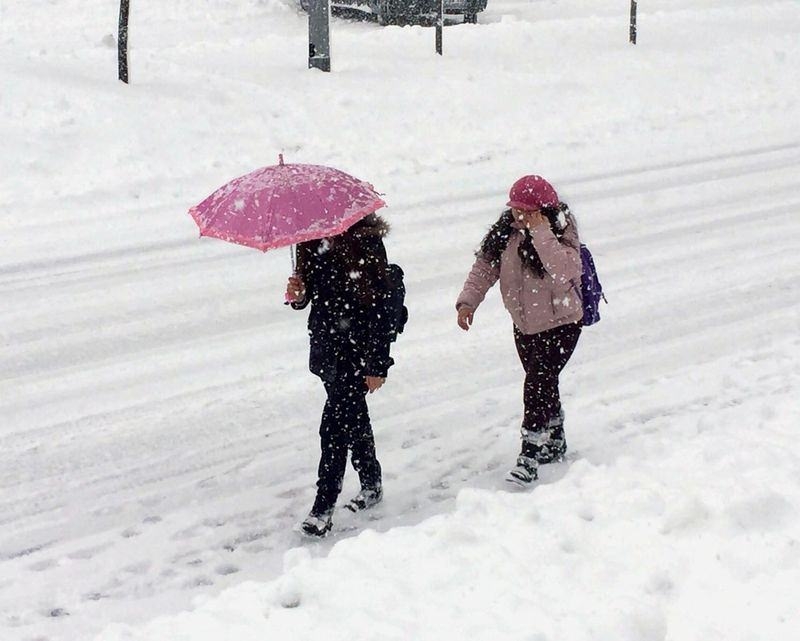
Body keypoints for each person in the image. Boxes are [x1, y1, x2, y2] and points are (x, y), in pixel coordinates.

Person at [455, 175, 583, 486]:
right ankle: (556, 436)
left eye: (527, 211)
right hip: (525, 326)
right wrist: (468, 302)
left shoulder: (560, 229)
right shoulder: (506, 232)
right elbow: (485, 267)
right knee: (543, 381)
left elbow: (564, 270)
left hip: (562, 323)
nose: (519, 216)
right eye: (515, 209)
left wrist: (540, 231)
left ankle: (529, 454)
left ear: (544, 210)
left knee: (537, 382)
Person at [285, 213, 395, 536]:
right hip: (327, 348)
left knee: (333, 428)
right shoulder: (309, 240)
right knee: (353, 417)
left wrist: (376, 364)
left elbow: (382, 306)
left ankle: (323, 507)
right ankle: (372, 483)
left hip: (357, 348)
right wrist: (299, 292)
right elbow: (310, 299)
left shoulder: (366, 240)